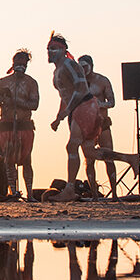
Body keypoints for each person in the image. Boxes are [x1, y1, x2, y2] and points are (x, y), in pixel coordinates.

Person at [75, 55, 140, 195]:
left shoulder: (102, 81)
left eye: (85, 66)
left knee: (109, 157)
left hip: (102, 122)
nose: (83, 69)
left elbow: (112, 102)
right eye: (80, 67)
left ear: (91, 66)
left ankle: (114, 193)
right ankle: (93, 194)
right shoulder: (78, 83)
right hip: (86, 124)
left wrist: (97, 104)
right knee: (89, 159)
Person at [0, 50, 41, 198]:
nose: (20, 65)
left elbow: (35, 104)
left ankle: (30, 194)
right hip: (6, 125)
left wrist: (16, 101)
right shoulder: (3, 82)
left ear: (26, 65)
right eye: (17, 62)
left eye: (22, 63)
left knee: (27, 160)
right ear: (13, 63)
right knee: (9, 159)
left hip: (24, 125)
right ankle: (13, 192)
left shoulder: (31, 82)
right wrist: (1, 98)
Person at [45, 34, 91, 196]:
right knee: (89, 151)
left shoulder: (70, 65)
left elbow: (81, 89)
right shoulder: (57, 71)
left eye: (54, 49)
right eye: (48, 49)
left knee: (72, 146)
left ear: (64, 50)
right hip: (75, 109)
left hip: (85, 106)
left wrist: (66, 111)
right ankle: (129, 159)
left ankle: (70, 189)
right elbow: (65, 96)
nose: (50, 52)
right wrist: (59, 117)